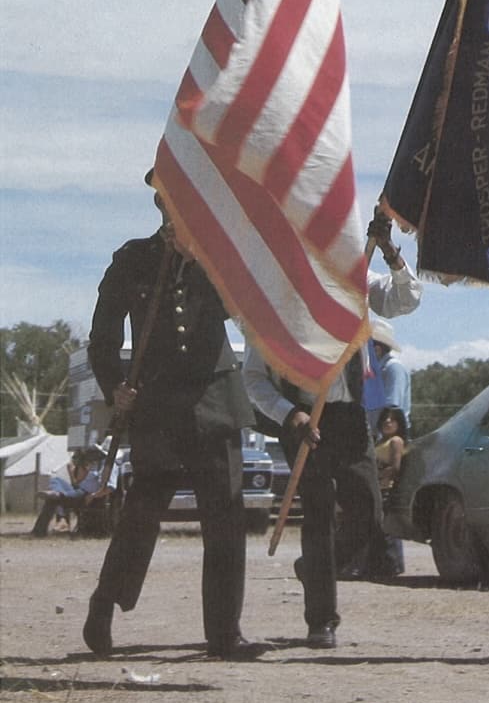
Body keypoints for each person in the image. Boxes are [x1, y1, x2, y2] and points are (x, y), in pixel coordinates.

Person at [82, 169, 255, 659]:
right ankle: (104, 604)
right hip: (157, 408)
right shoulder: (132, 259)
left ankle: (224, 633)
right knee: (141, 513)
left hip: (217, 404)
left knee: (226, 520)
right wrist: (114, 387)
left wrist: (203, 258)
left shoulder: (220, 259)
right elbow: (103, 338)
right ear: (160, 203)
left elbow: (244, 306)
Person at [243, 211, 422, 649]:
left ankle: (316, 567)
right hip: (304, 420)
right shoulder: (272, 303)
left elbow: (406, 299)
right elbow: (253, 379)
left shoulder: (353, 282)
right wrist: (290, 414)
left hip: (348, 416)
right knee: (319, 517)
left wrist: (391, 251)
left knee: (368, 512)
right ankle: (321, 619)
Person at [31, 447, 117, 537]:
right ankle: (57, 493)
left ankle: (58, 500)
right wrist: (72, 472)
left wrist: (93, 495)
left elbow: (110, 487)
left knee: (52, 499)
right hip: (79, 490)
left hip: (88, 495)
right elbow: (76, 484)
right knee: (56, 480)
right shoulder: (95, 465)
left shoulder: (109, 466)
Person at [366, 406, 409, 579]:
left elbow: (395, 467)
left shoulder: (395, 442)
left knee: (387, 529)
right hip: (377, 488)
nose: (388, 422)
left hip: (387, 489)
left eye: (392, 419)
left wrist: (377, 476)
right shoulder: (379, 441)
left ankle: (393, 565)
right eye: (385, 419)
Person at [369, 318, 411, 430]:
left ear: (377, 350)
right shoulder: (377, 371)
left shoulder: (393, 368)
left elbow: (392, 409)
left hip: (388, 438)